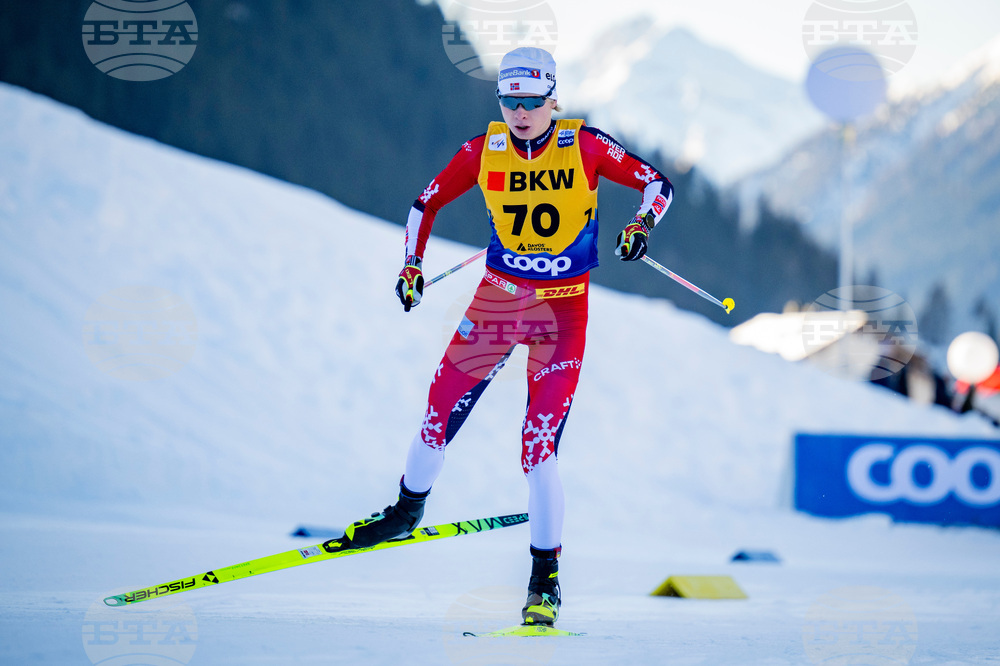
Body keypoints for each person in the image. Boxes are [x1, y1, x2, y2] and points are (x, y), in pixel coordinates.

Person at [343, 47, 674, 626]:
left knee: (538, 450)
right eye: (509, 101)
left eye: (531, 102)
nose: (520, 113)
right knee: (437, 410)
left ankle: (544, 582)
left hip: (561, 312)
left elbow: (657, 183)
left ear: (553, 100)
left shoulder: (585, 145)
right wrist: (411, 265)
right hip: (498, 302)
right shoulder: (483, 151)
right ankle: (405, 510)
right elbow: (426, 203)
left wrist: (641, 223)